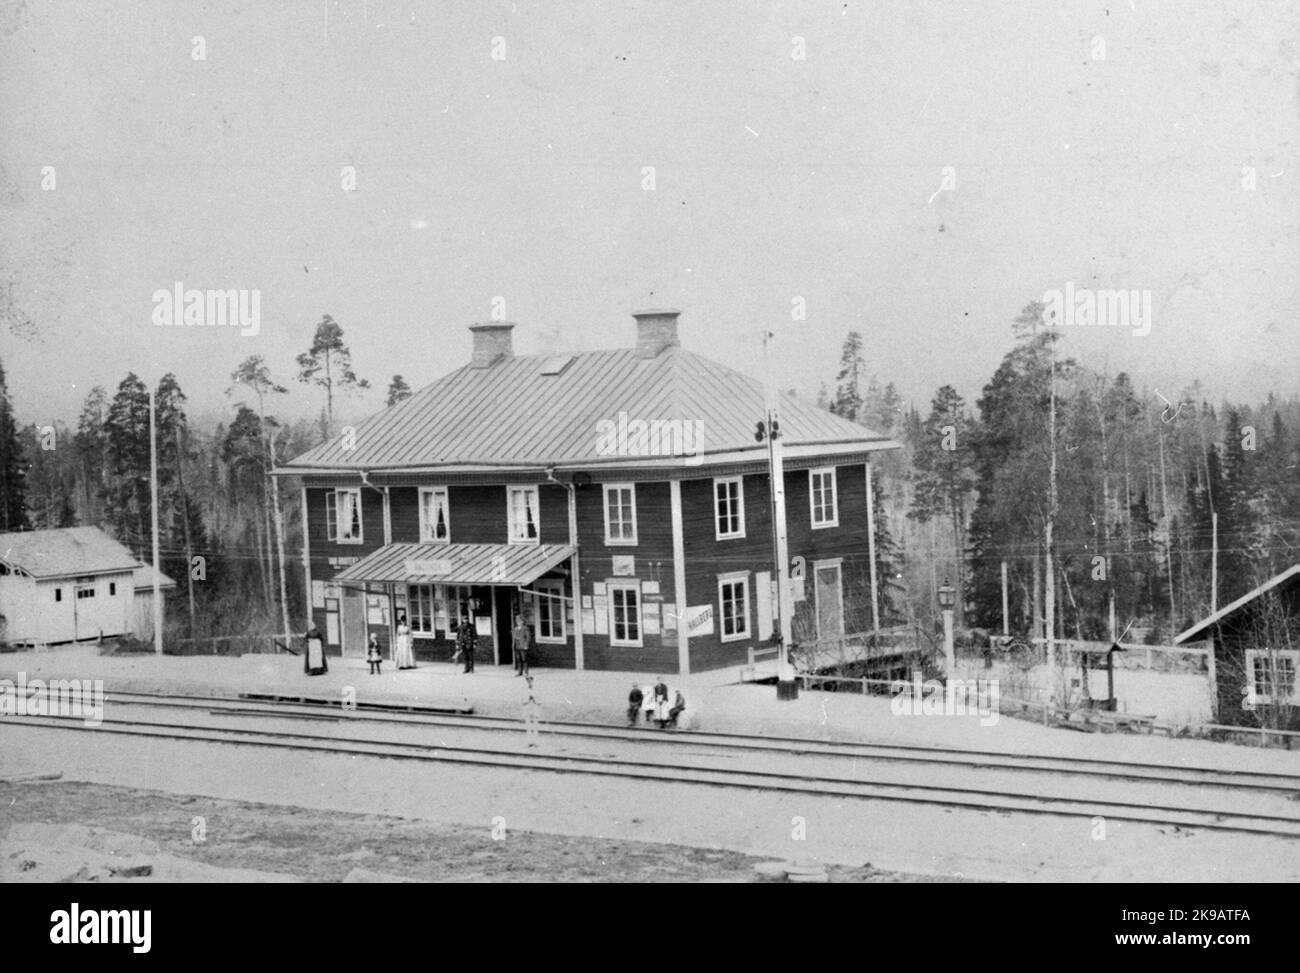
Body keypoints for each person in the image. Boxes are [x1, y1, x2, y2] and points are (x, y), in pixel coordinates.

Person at [522, 675, 541, 748]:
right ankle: (528, 742)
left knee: (536, 726)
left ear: (533, 681)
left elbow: (540, 701)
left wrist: (534, 699)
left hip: (535, 709)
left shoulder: (537, 689)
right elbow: (522, 701)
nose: (529, 682)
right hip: (527, 710)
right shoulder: (524, 689)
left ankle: (536, 742)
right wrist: (528, 699)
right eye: (527, 681)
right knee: (528, 727)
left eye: (530, 680)